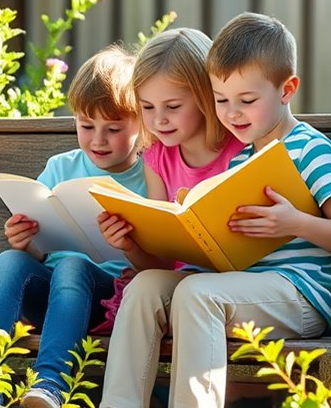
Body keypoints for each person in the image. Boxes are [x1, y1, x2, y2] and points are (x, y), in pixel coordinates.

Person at [98, 13, 331, 408]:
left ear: (287, 89)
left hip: (300, 296)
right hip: (243, 289)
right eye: (222, 101)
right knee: (143, 290)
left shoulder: (311, 150)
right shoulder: (240, 157)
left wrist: (294, 221)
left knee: (197, 294)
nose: (232, 114)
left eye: (246, 101)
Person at [0, 45, 146, 408]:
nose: (98, 140)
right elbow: (43, 250)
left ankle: (49, 386)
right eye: (86, 126)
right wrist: (26, 243)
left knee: (73, 264)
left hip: (105, 299)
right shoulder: (60, 167)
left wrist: (128, 243)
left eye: (113, 128)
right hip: (50, 295)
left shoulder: (150, 177)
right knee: (8, 261)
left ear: (142, 123)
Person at [97, 28, 244, 272]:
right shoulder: (156, 157)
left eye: (173, 106)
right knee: (143, 285)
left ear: (205, 97)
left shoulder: (241, 148)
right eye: (147, 107)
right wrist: (129, 246)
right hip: (178, 281)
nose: (158, 120)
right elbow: (162, 262)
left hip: (230, 282)